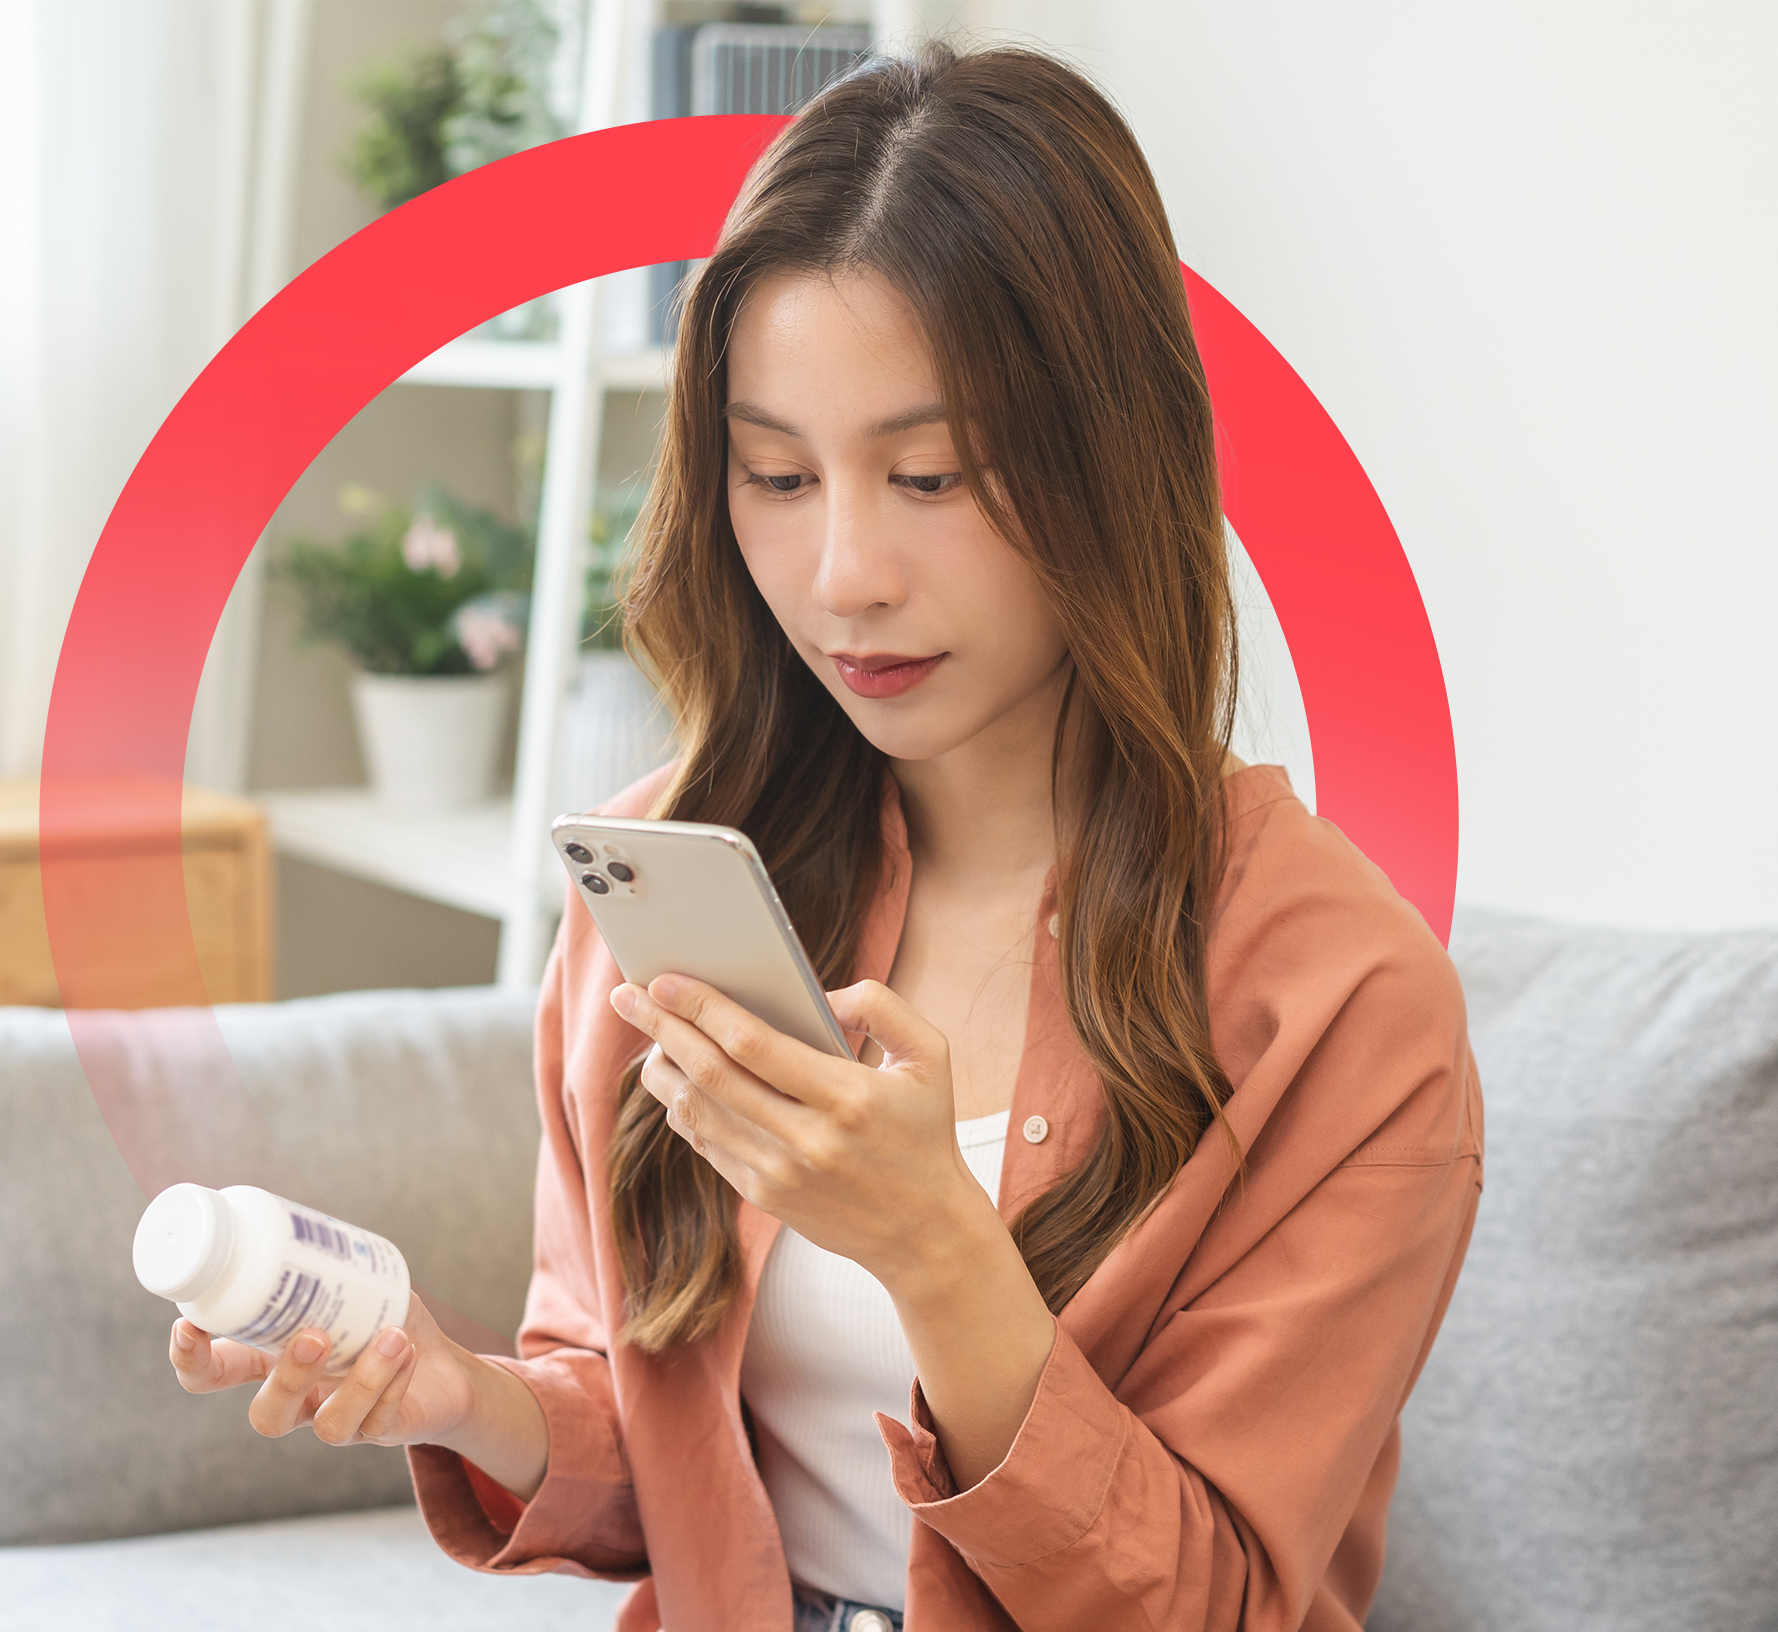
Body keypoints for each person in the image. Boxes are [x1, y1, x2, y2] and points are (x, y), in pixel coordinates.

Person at [166, 40, 1480, 1632]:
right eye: (777, 474)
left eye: (929, 474)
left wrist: (941, 1256)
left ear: (1111, 463)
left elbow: (1202, 1605)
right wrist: (459, 1393)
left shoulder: (1341, 1001)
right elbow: (663, 1461)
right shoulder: (662, 883)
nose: (844, 572)